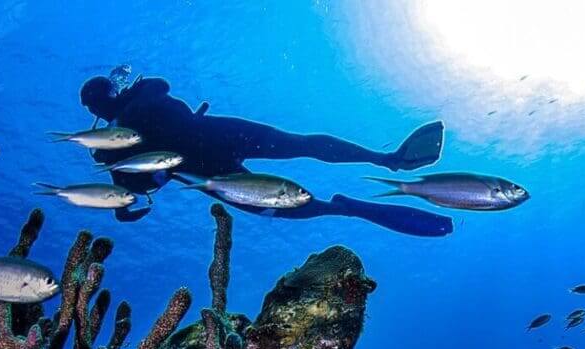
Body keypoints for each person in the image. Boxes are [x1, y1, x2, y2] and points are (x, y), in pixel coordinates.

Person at [78, 75, 453, 236]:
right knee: (300, 144)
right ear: (111, 89)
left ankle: (343, 206)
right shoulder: (141, 95)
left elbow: (125, 199)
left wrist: (128, 208)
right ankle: (384, 161)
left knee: (277, 200)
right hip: (219, 135)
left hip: (203, 171)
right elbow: (161, 86)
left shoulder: (111, 145)